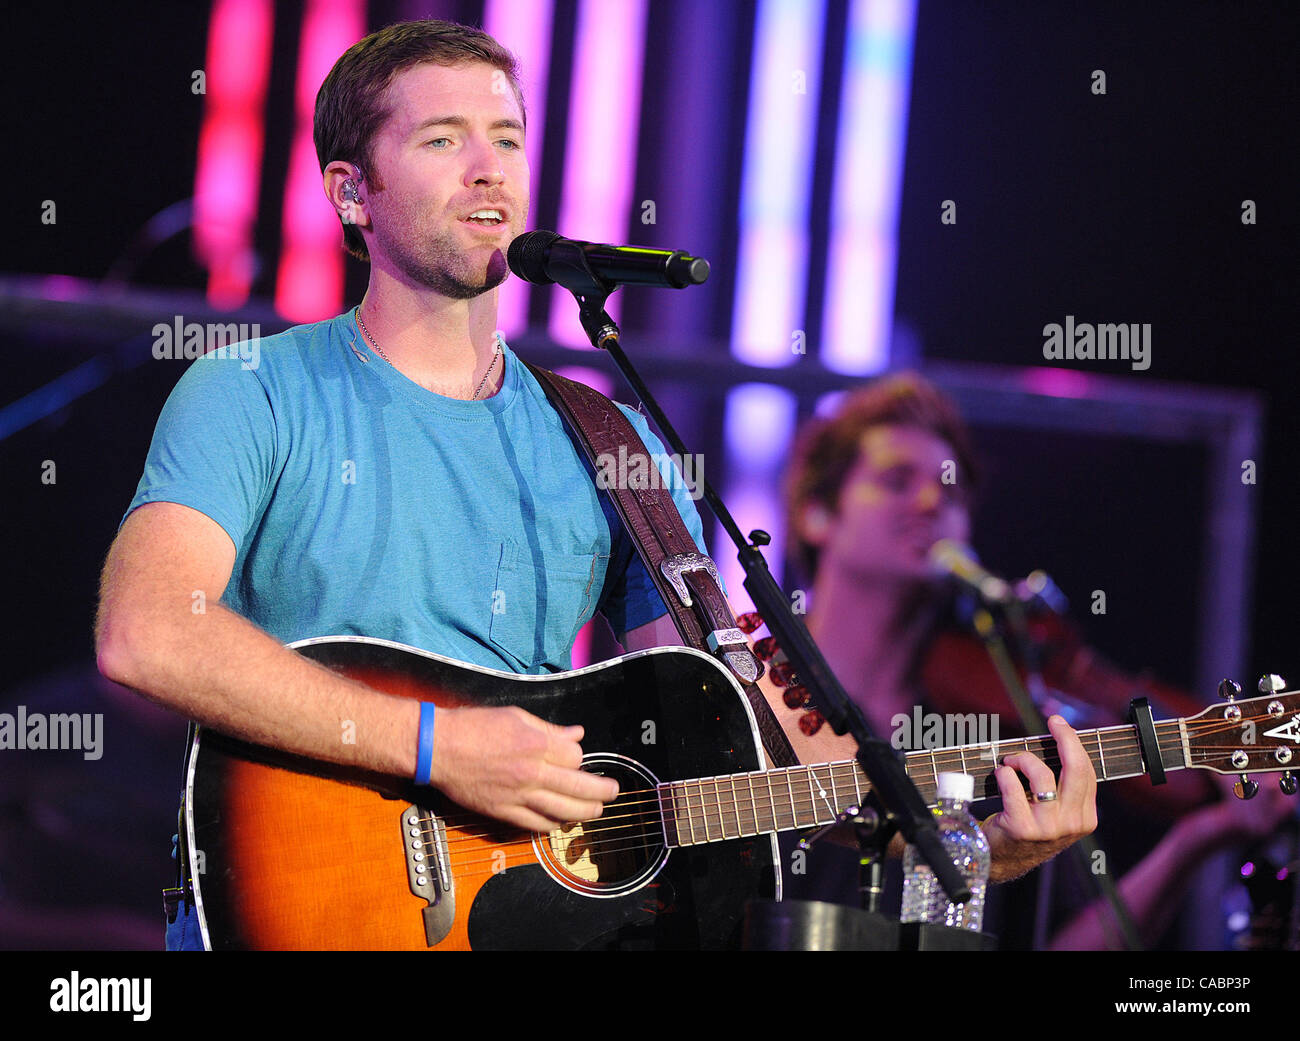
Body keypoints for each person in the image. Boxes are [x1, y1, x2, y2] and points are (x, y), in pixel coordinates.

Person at [94, 21, 1095, 950]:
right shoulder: (252, 390)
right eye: (443, 140)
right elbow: (148, 631)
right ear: (352, 192)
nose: (490, 170)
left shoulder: (604, 434)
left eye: (508, 138)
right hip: (299, 909)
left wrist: (969, 842)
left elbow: (709, 757)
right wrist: (439, 746)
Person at [764, 371, 1282, 946]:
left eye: (952, 489)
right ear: (816, 512)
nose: (933, 500)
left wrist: (1195, 840)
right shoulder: (743, 695)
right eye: (896, 480)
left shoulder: (999, 731)